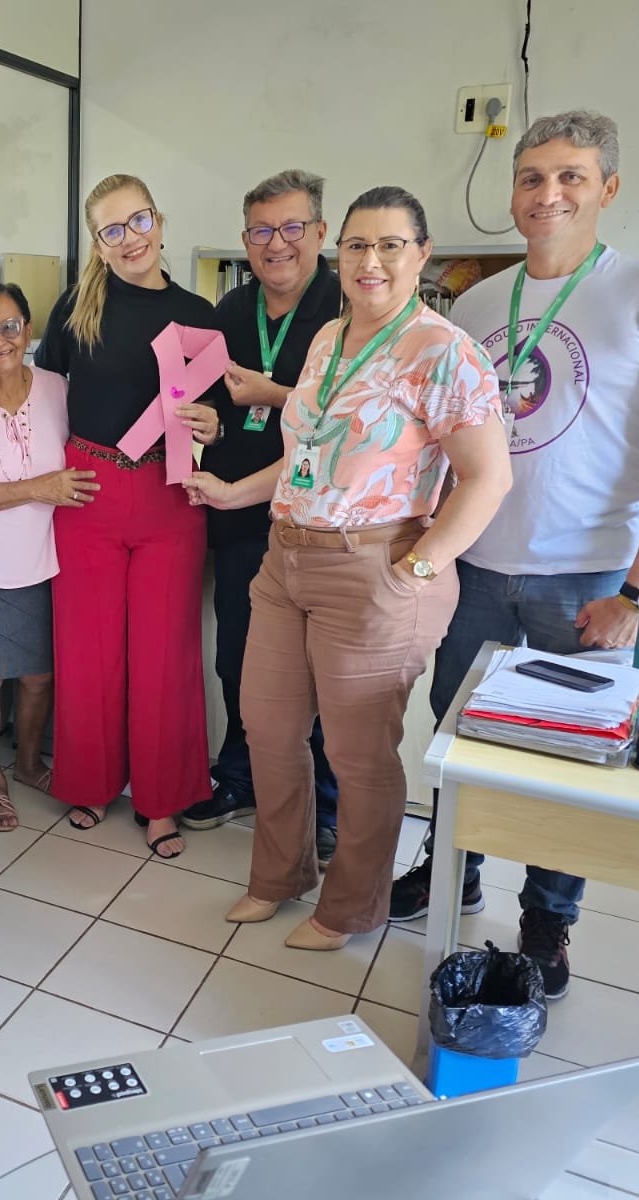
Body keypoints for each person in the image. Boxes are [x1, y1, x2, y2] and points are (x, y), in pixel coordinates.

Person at [390, 111, 639, 999]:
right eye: (532, 177)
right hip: (474, 567)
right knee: (458, 735)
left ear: (607, 187)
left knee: (565, 758)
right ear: (513, 194)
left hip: (588, 578)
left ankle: (546, 918)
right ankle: (453, 867)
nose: (549, 194)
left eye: (571, 176)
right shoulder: (474, 305)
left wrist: (637, 593)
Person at [185, 185, 512, 950]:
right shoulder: (331, 338)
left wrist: (416, 572)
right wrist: (235, 492)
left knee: (358, 754)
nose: (371, 261)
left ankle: (352, 907)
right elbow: (309, 453)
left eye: (390, 245)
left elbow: (488, 479)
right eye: (358, 245)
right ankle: (279, 876)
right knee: (268, 729)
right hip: (287, 559)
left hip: (375, 565)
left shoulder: (442, 351)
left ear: (422, 254)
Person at [35, 174, 223, 859]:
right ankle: (89, 783)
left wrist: (214, 426)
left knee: (164, 654)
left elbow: (217, 409)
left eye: (139, 220)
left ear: (159, 220)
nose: (131, 238)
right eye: (112, 229)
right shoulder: (75, 309)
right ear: (98, 243)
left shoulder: (199, 313)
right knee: (87, 650)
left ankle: (162, 798)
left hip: (169, 496)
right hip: (88, 491)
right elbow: (42, 399)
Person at [178, 170, 342, 867]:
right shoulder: (231, 310)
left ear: (320, 232)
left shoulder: (349, 306)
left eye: (292, 227)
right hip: (240, 515)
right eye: (261, 231)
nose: (277, 244)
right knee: (239, 658)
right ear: (245, 240)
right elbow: (217, 403)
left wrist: (274, 394)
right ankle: (240, 777)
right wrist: (213, 426)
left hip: (323, 522)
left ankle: (326, 807)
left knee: (319, 671)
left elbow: (348, 418)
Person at [0, 281, 82, 831]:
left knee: (38, 678)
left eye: (9, 327)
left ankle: (27, 765)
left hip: (47, 563)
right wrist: (40, 488)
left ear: (27, 330)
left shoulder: (57, 388)